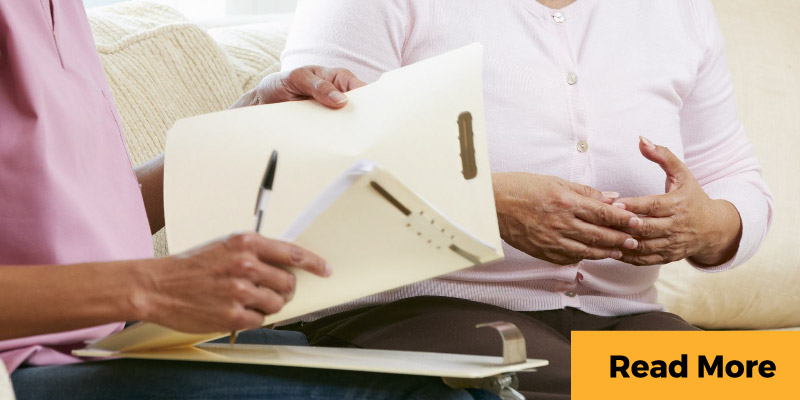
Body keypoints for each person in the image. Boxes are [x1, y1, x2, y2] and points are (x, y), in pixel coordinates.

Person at [251, 0, 774, 398]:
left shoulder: (678, 11)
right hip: (414, 307)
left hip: (622, 314)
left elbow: (731, 175)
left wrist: (708, 225)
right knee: (586, 385)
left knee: (751, 381)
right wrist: (485, 202)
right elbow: (310, 160)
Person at [0, 1, 494, 399]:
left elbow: (78, 219)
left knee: (470, 385)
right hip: (24, 364)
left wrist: (247, 128)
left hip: (101, 338)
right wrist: (150, 286)